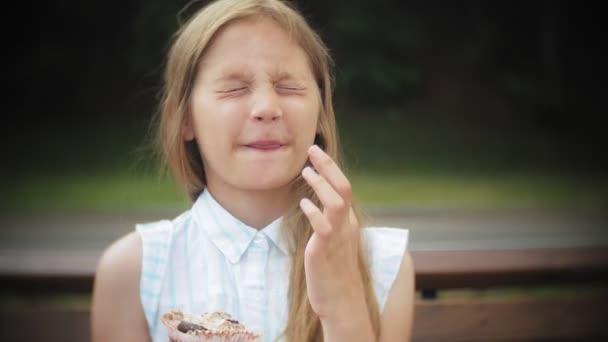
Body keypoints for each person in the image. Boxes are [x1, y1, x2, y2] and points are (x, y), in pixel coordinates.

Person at [91, 0, 414, 341]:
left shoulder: (381, 262)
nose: (266, 108)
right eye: (234, 88)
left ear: (319, 114)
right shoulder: (134, 271)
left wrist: (342, 306)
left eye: (289, 87)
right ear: (184, 119)